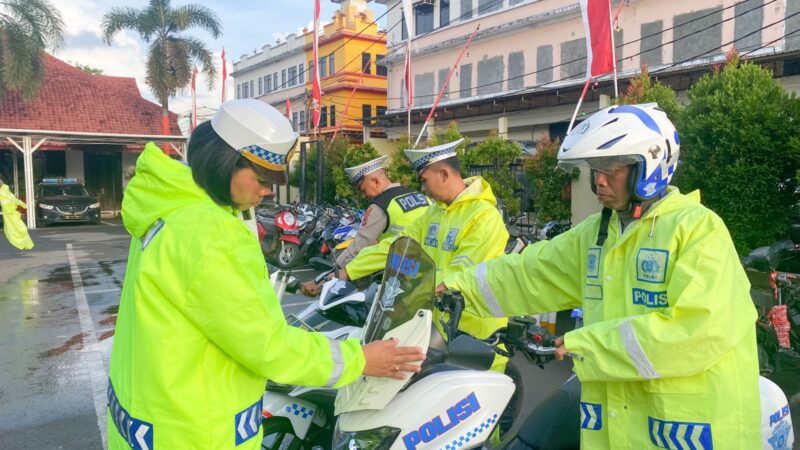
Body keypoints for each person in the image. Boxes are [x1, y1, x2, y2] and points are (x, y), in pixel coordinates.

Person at [107, 99, 424, 450]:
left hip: (150, 415)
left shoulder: (170, 206)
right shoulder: (207, 232)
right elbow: (267, 346)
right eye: (261, 178)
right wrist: (360, 359)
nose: (269, 190)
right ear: (225, 164)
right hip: (195, 430)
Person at [439, 104, 760, 448]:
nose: (599, 180)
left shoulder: (698, 230)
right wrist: (456, 287)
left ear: (648, 165)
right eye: (595, 168)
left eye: (610, 167)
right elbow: (531, 271)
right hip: (620, 428)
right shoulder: (599, 232)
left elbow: (697, 330)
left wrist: (586, 345)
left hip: (689, 431)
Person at [341, 139, 509, 369]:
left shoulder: (484, 216)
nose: (422, 189)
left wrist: (413, 295)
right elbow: (397, 245)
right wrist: (350, 270)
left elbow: (461, 272)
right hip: (434, 326)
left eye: (424, 180)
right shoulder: (434, 213)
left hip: (474, 334)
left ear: (443, 174)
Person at [300, 155, 430, 296]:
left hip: (402, 278)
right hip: (429, 273)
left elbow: (360, 245)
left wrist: (330, 274)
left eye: (363, 190)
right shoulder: (420, 196)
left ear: (376, 181)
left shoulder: (381, 205)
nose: (364, 196)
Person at [0, 179, 33, 250]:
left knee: (19, 229)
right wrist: (24, 205)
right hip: (10, 214)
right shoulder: (5, 192)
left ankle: (24, 244)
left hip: (11, 214)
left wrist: (24, 205)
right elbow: (15, 201)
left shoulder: (5, 191)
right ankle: (24, 244)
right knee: (19, 230)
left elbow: (15, 200)